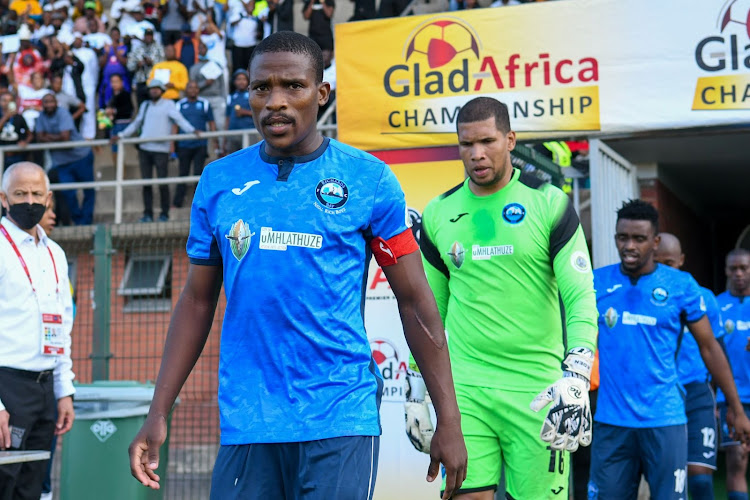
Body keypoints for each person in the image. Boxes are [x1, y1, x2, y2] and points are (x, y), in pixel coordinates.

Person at [127, 31, 468, 500]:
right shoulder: (219, 182)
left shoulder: (368, 180)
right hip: (249, 422)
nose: (275, 102)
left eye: (293, 86)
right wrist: (158, 410)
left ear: (321, 94)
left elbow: (413, 303)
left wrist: (448, 419)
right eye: (261, 88)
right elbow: (197, 300)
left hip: (339, 415)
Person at [411, 96, 597, 499]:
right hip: (466, 392)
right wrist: (416, 388)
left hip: (537, 392)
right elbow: (428, 313)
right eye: (466, 144)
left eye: (487, 141)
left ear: (510, 140)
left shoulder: (549, 203)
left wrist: (577, 374)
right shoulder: (440, 213)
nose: (476, 154)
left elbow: (580, 296)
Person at [589, 200, 750, 500]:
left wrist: (736, 410)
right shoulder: (598, 283)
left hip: (664, 421)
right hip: (612, 422)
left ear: (655, 241)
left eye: (639, 238)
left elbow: (710, 348)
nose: (629, 246)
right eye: (622, 238)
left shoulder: (680, 285)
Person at [0, 161, 75, 500]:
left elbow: (63, 326)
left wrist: (63, 390)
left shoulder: (56, 254)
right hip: (7, 386)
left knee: (32, 488)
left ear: (48, 197)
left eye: (35, 193)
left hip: (45, 389)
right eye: (20, 193)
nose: (28, 200)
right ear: (4, 198)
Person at [654, 233, 726, 500]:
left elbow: (717, 350)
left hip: (697, 391)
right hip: (663, 392)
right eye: (658, 263)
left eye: (670, 263)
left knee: (699, 474)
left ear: (682, 261)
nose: (664, 270)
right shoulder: (646, 295)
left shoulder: (704, 298)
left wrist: (719, 399)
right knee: (670, 474)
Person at [111, 79, 196, 222]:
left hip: (161, 150)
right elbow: (136, 123)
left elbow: (180, 120)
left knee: (163, 182)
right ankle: (148, 214)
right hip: (144, 148)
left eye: (157, 88)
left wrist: (193, 131)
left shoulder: (169, 104)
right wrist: (120, 135)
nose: (154, 91)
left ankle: (164, 214)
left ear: (162, 90)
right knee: (147, 183)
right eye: (152, 88)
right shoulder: (145, 106)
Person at [716, 248, 750, 500]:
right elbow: (706, 354)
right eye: (733, 269)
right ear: (726, 271)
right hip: (731, 399)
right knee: (737, 461)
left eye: (744, 268)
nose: (739, 274)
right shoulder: (716, 306)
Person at [35, 93, 95, 225]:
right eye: (46, 102)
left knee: (89, 190)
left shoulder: (63, 113)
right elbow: (39, 137)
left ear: (56, 102)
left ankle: (86, 222)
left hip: (81, 157)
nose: (49, 105)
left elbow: (65, 137)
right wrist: (55, 137)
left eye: (51, 102)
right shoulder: (41, 117)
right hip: (62, 163)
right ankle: (79, 221)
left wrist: (48, 137)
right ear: (43, 104)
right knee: (68, 193)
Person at [172, 80, 216, 208]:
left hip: (200, 145)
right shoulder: (179, 105)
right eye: (190, 87)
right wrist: (172, 146)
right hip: (183, 145)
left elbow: (211, 123)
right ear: (186, 90)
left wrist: (215, 142)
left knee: (199, 173)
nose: (193, 89)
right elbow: (175, 125)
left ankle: (199, 204)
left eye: (195, 87)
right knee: (182, 174)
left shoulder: (204, 104)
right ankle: (177, 203)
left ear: (198, 90)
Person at [188, 41, 225, 135]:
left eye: (204, 48)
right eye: (200, 48)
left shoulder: (216, 65)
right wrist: (205, 83)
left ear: (208, 50)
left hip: (217, 98)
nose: (202, 50)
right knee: (208, 127)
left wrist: (224, 98)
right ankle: (211, 149)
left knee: (220, 124)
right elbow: (192, 86)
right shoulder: (194, 68)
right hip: (203, 98)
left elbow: (222, 84)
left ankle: (221, 148)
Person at [126, 27, 165, 104]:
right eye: (147, 35)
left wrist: (151, 63)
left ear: (153, 36)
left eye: (150, 35)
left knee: (154, 105)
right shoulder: (137, 49)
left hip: (154, 82)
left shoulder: (159, 48)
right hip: (141, 81)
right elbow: (129, 66)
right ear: (144, 36)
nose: (148, 37)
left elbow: (164, 64)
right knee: (142, 106)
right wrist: (137, 65)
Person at [104, 73, 133, 166]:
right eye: (112, 82)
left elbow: (129, 110)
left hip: (122, 125)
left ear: (122, 82)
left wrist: (114, 111)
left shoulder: (125, 94)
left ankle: (121, 177)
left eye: (116, 81)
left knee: (118, 153)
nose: (114, 84)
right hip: (115, 125)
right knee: (115, 154)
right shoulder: (113, 96)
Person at [223, 68, 253, 155]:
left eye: (244, 79)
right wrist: (225, 138)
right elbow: (227, 118)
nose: (241, 82)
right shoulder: (231, 97)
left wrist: (245, 112)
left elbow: (259, 114)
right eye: (239, 79)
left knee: (249, 158)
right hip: (233, 134)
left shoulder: (252, 95)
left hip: (249, 132)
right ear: (234, 82)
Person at [0, 91, 31, 166]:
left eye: (10, 100)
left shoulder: (18, 117)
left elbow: (30, 134)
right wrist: (5, 117)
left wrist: (25, 141)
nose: (7, 103)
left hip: (16, 155)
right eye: (4, 100)